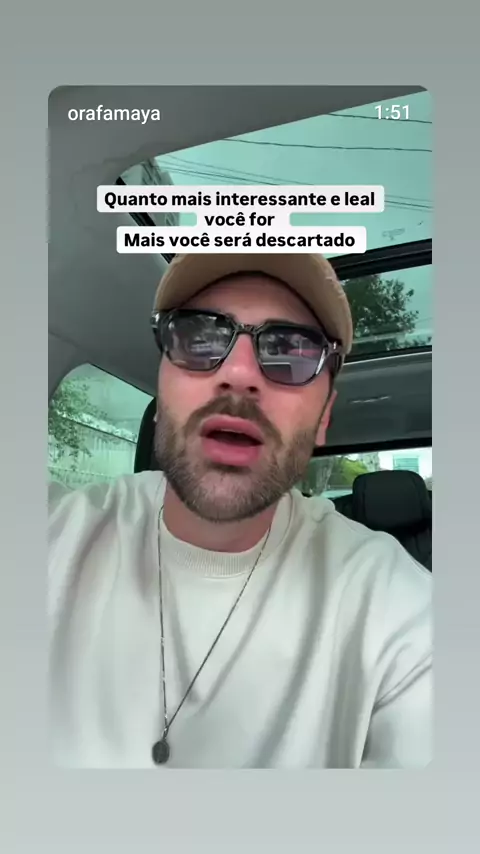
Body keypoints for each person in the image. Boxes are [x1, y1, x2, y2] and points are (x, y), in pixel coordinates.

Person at [48, 253, 432, 769]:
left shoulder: (398, 611)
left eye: (292, 350)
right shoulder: (52, 536)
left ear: (323, 420)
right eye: (200, 337)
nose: (239, 373)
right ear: (161, 396)